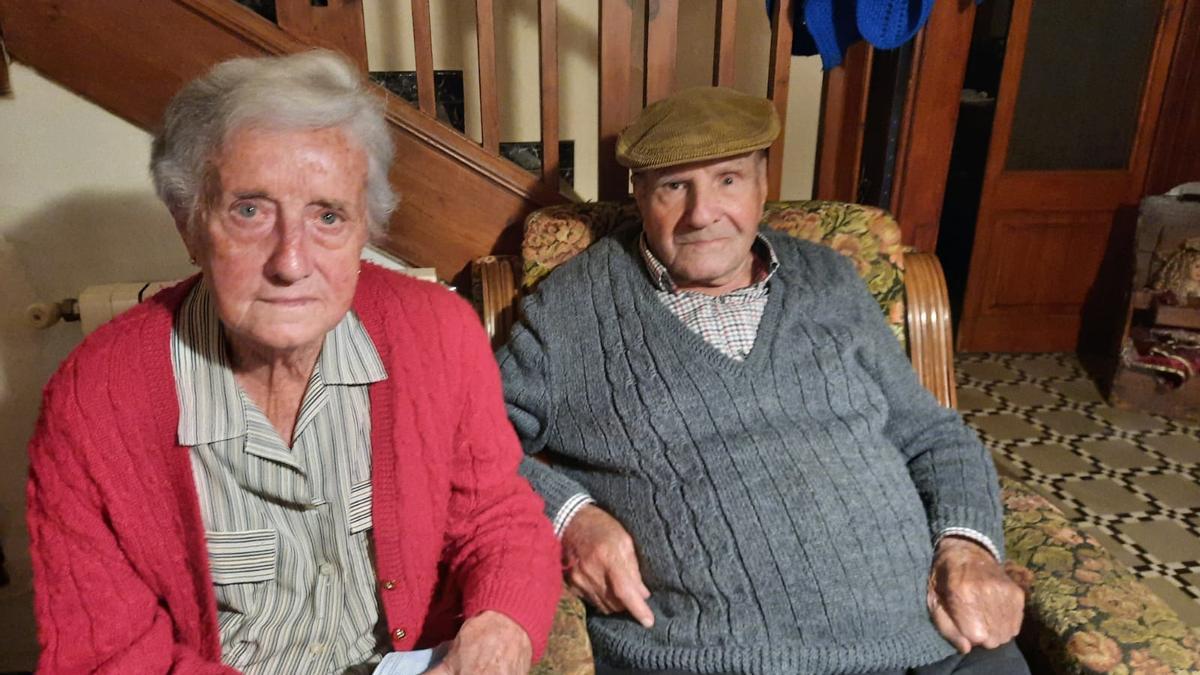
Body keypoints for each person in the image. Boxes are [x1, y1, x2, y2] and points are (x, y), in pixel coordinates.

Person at [26, 50, 560, 675]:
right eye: (250, 211)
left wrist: (499, 627)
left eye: (328, 215)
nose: (291, 261)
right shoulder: (93, 401)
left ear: (367, 228)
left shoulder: (438, 334)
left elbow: (498, 519)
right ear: (188, 223)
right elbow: (107, 656)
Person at [497, 87, 1027, 675]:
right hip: (708, 656)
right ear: (639, 194)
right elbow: (471, 441)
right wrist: (570, 516)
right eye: (675, 186)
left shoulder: (829, 277)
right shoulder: (572, 308)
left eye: (728, 179)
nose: (703, 213)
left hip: (931, 640)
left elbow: (933, 435)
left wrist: (969, 546)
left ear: (762, 184)